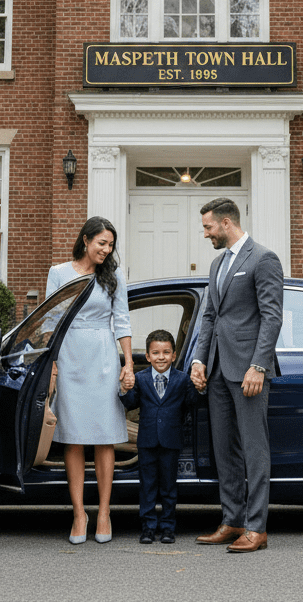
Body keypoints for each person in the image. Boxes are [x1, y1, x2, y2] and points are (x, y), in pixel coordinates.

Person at [189, 196, 283, 554]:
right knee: (223, 450)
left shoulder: (263, 258)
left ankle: (256, 528)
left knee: (254, 450)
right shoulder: (217, 264)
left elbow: (272, 316)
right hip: (216, 370)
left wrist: (258, 365)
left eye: (208, 227)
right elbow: (210, 316)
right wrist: (199, 361)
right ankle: (232, 521)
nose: (206, 233)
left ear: (226, 223)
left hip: (248, 371)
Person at [46, 216, 134, 544]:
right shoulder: (59, 273)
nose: (106, 250)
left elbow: (122, 321)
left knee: (104, 437)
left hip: (103, 358)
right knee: (74, 438)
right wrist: (52, 366)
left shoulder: (114, 276)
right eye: (101, 243)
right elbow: (50, 322)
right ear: (86, 240)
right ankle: (79, 513)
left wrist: (127, 365)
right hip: (70, 358)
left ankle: (105, 512)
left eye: (110, 245)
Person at [119, 329, 198, 544]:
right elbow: (131, 402)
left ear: (173, 355)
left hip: (171, 441)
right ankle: (147, 527)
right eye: (155, 353)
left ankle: (168, 527)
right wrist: (125, 390)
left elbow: (192, 402)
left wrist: (199, 387)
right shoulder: (140, 378)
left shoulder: (182, 379)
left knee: (169, 487)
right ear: (147, 356)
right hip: (147, 442)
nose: (160, 357)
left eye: (166, 352)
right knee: (147, 486)